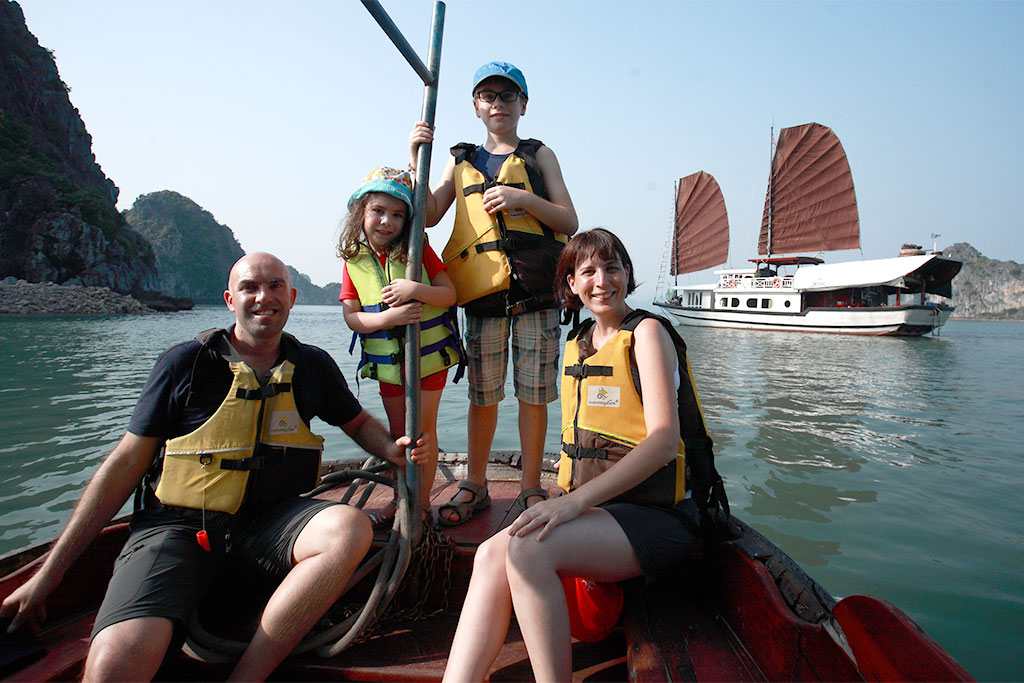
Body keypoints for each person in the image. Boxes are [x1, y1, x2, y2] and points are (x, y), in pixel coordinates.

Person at [0, 253, 427, 681]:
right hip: (178, 531)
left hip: (269, 528)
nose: (264, 297)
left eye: (276, 286)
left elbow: (356, 423)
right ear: (230, 299)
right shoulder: (185, 364)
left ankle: (247, 676)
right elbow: (124, 465)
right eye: (250, 288)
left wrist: (393, 449)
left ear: (293, 297)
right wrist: (50, 575)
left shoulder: (312, 365)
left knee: (348, 528)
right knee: (113, 663)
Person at [441, 229, 720, 682]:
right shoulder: (578, 344)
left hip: (657, 516)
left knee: (527, 552)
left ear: (628, 274)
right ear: (571, 284)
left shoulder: (647, 333)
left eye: (612, 268)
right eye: (587, 271)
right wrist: (566, 499)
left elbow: (664, 441)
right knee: (492, 553)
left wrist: (569, 503)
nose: (602, 281)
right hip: (599, 513)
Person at [409, 60, 579, 526]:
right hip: (484, 299)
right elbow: (427, 213)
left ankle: (529, 488)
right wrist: (414, 160)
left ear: (523, 104)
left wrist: (523, 199)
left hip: (535, 296)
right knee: (482, 396)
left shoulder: (539, 155)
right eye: (488, 96)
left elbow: (569, 221)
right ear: (476, 106)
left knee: (534, 396)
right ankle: (475, 483)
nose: (498, 104)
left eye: (507, 96)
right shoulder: (460, 158)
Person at [337, 166, 461, 521]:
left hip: (428, 362)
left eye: (397, 214)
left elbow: (449, 294)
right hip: (389, 366)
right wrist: (390, 318)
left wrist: (415, 290)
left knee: (422, 435)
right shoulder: (352, 260)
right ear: (362, 212)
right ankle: (400, 500)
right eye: (378, 211)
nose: (387, 222)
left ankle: (419, 504)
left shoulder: (418, 249)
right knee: (397, 436)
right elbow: (352, 317)